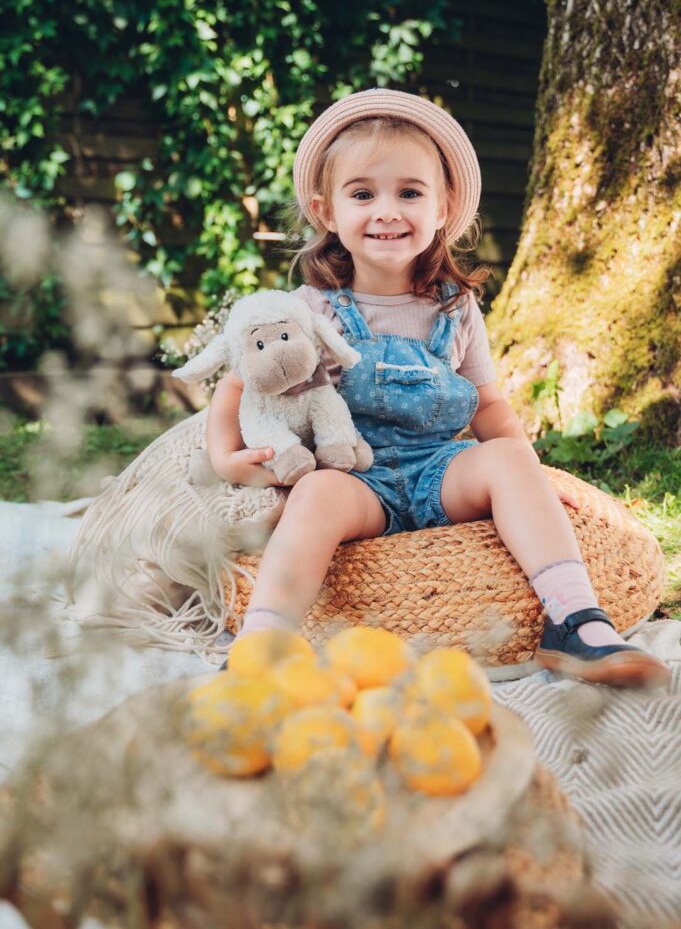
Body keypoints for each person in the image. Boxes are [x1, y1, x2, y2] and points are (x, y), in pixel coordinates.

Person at [207, 87, 669, 688]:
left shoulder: (455, 306)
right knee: (314, 494)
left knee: (502, 456)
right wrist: (227, 457)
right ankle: (263, 642)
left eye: (410, 192)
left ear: (444, 206)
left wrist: (531, 472)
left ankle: (577, 622)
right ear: (326, 211)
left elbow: (491, 405)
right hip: (354, 475)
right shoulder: (307, 307)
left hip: (437, 470)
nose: (387, 211)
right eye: (363, 194)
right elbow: (237, 386)